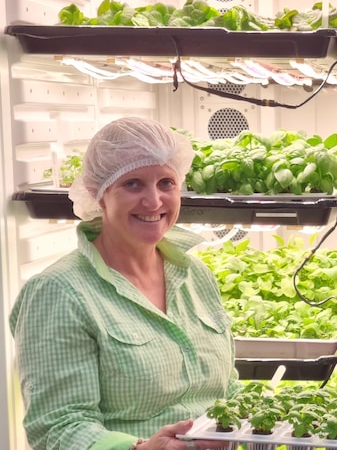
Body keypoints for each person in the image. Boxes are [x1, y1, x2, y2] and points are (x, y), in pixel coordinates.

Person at [9, 117, 244, 450]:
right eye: (133, 184)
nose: (154, 201)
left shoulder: (195, 274)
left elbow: (225, 391)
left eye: (166, 182)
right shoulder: (58, 292)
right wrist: (142, 448)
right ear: (98, 193)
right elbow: (57, 429)